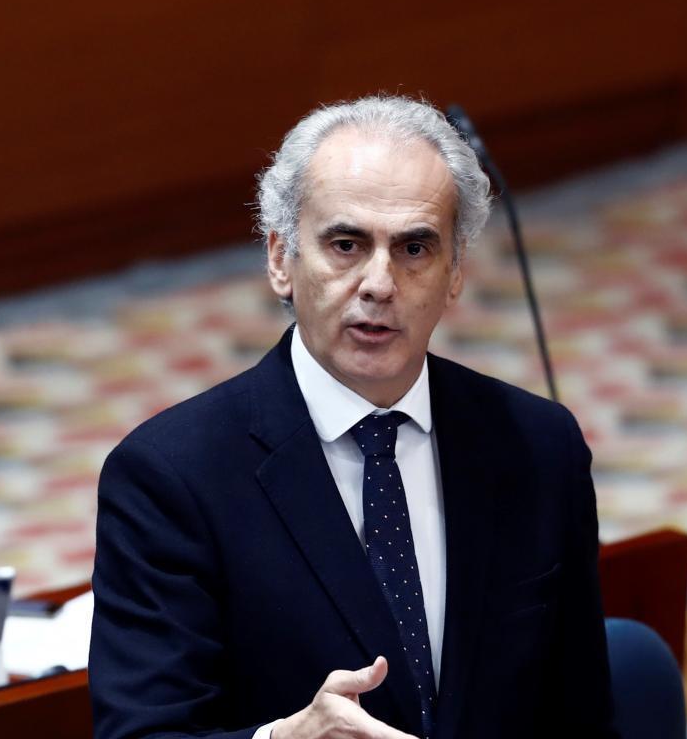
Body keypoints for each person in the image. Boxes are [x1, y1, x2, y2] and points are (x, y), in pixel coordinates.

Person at [89, 95, 616, 739]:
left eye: (415, 249)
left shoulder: (539, 446)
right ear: (280, 259)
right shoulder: (171, 477)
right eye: (346, 244)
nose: (379, 284)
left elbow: (582, 718)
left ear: (455, 273)